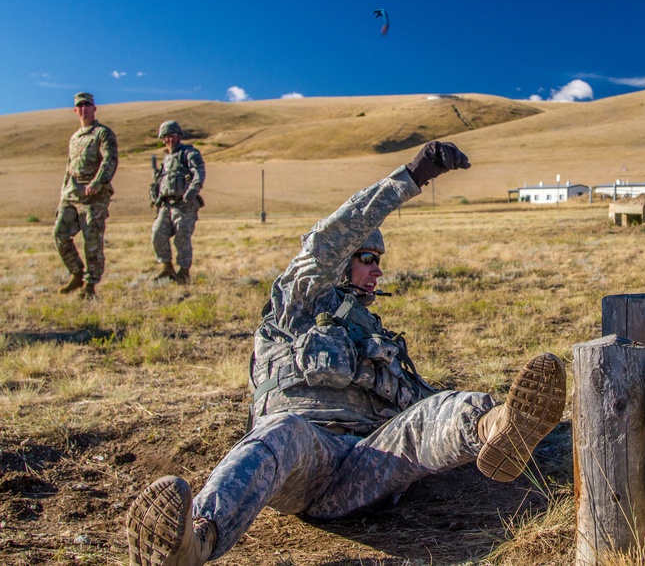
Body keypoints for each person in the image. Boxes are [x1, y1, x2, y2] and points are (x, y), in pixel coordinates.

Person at [126, 141, 566, 566]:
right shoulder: (297, 304)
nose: (378, 269)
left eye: (379, 260)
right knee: (281, 432)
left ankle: (503, 429)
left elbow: (424, 410)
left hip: (371, 467)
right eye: (368, 256)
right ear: (341, 262)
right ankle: (195, 542)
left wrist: (468, 412)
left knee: (440, 408)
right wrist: (413, 176)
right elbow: (330, 237)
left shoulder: (380, 339)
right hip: (304, 464)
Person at [54, 92, 119, 299]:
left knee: (92, 240)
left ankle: (90, 286)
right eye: (80, 106)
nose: (83, 109)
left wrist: (96, 183)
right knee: (59, 233)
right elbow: (69, 167)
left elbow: (110, 160)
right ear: (75, 111)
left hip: (94, 197)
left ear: (94, 108)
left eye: (87, 105)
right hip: (72, 195)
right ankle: (76, 273)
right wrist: (64, 192)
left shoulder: (103, 134)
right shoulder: (74, 138)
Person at [150, 120, 206, 284]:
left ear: (179, 136)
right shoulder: (166, 160)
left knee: (182, 237)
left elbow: (199, 174)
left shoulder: (189, 153)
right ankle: (166, 267)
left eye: (172, 135)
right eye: (166, 137)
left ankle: (183, 272)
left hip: (184, 205)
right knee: (157, 233)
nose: (169, 140)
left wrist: (191, 193)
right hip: (166, 205)